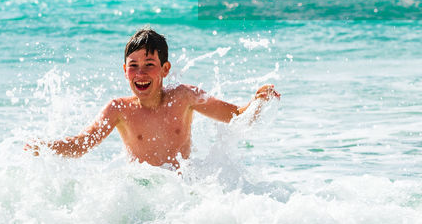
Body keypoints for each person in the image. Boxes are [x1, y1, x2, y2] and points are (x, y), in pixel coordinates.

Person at [26, 27, 278, 168]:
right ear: (125, 71)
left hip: (180, 192)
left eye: (149, 64)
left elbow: (236, 116)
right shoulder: (118, 109)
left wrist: (258, 102)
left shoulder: (184, 97)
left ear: (165, 69)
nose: (141, 73)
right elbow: (81, 144)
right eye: (133, 66)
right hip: (143, 193)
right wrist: (47, 147)